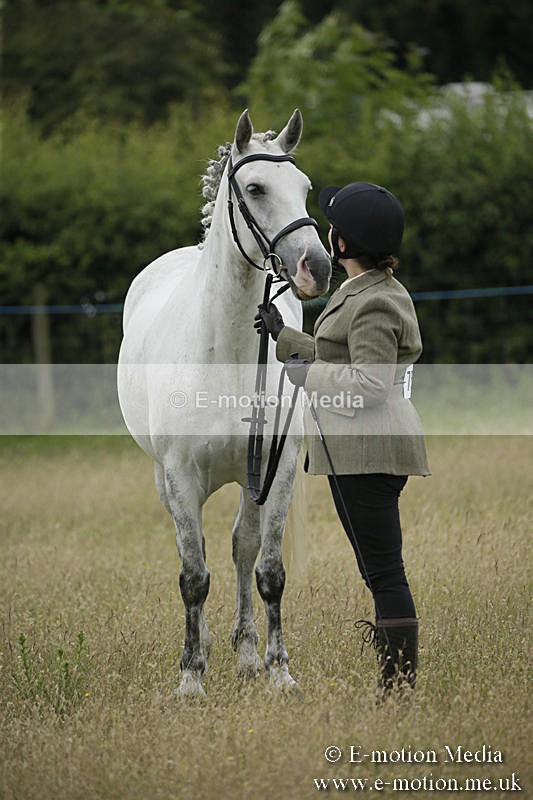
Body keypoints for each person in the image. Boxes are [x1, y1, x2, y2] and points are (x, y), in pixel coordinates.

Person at [255, 181, 430, 699]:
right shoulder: (367, 290)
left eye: (333, 227)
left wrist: (305, 372)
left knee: (384, 572)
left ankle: (397, 691)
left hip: (368, 451)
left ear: (343, 245)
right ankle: (395, 681)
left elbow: (370, 385)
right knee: (377, 570)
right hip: (353, 450)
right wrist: (286, 340)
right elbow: (345, 359)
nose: (326, 233)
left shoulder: (374, 302)